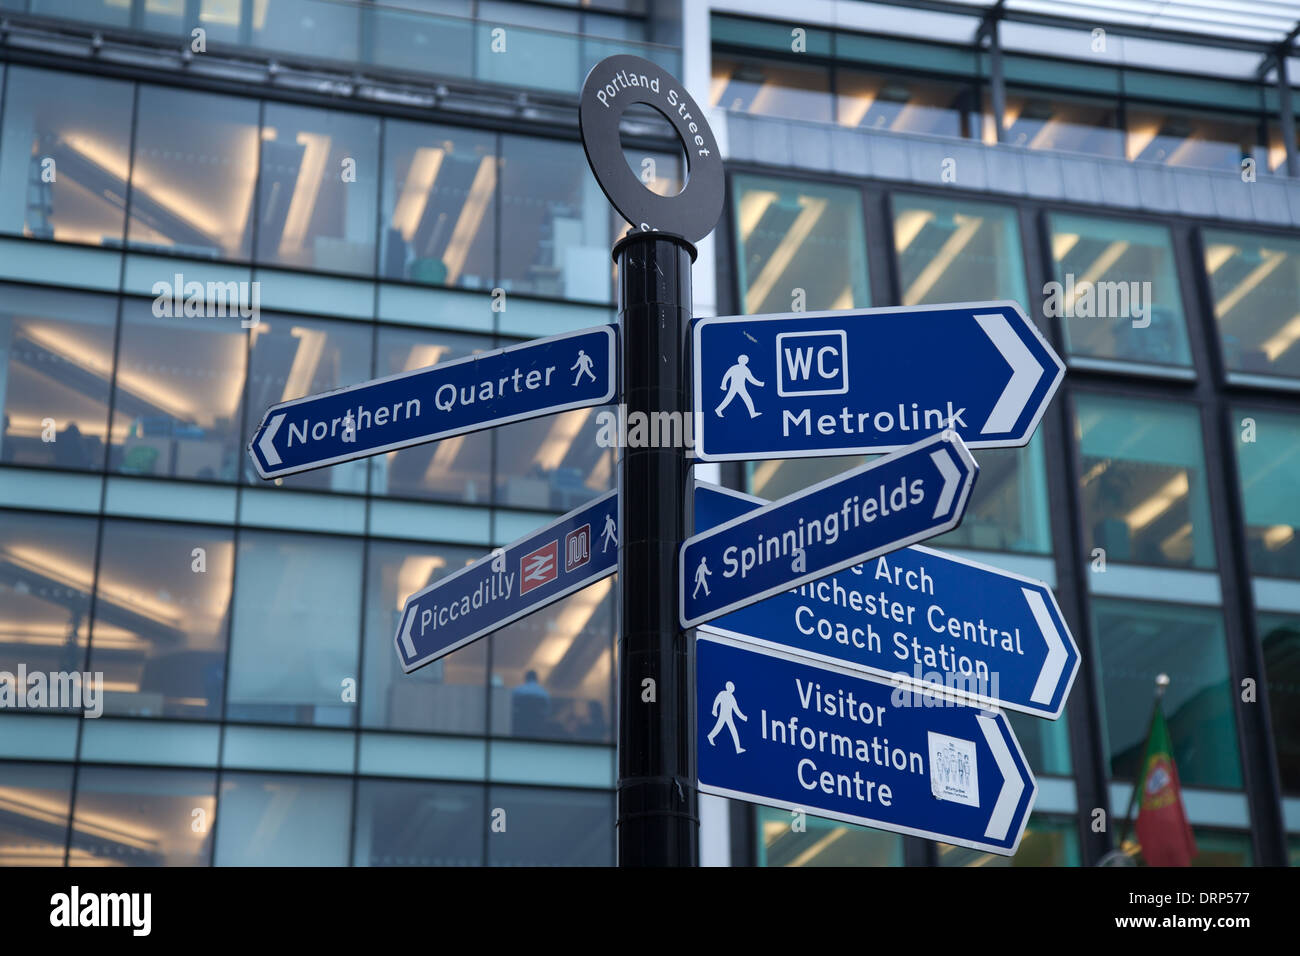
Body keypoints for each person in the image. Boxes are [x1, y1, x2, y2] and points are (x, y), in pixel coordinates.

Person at [715, 354, 764, 418]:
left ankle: (752, 413)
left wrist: (760, 383)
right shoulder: (734, 368)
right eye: (743, 360)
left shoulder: (745, 369)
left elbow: (751, 379)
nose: (744, 361)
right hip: (734, 387)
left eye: (745, 360)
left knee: (747, 399)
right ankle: (718, 409)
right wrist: (723, 385)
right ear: (739, 360)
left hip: (741, 387)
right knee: (729, 399)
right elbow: (727, 376)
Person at [707, 681, 747, 754]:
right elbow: (716, 701)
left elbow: (736, 709)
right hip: (723, 715)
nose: (732, 688)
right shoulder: (722, 693)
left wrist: (743, 717)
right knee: (719, 727)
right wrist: (714, 710)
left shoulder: (732, 697)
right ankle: (710, 736)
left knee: (733, 730)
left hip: (729, 717)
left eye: (733, 687)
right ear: (728, 687)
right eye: (731, 687)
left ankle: (738, 748)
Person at [510, 669, 551, 736]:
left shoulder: (517, 691)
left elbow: (511, 708)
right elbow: (547, 711)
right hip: (537, 727)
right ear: (537, 679)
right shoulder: (544, 693)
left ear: (525, 678)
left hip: (520, 726)